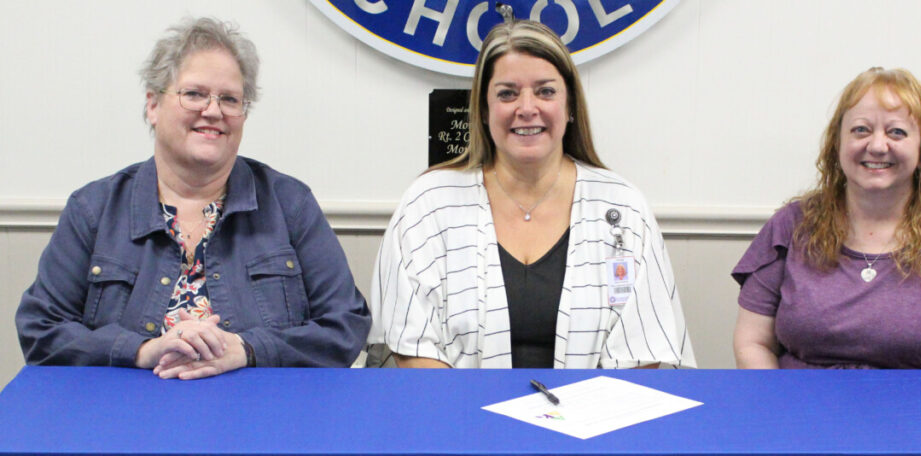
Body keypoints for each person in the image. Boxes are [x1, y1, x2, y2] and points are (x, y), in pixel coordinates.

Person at [17, 17, 370, 379]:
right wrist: (140, 350)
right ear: (153, 105)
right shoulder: (93, 209)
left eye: (229, 99)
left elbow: (345, 327)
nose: (213, 111)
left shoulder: (290, 204)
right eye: (195, 94)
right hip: (124, 421)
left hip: (263, 418)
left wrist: (248, 349)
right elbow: (40, 330)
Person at [369, 19, 695, 368]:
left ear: (570, 106)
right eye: (507, 93)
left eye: (545, 91)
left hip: (593, 419)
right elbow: (414, 347)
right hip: (458, 416)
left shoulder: (623, 208)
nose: (527, 108)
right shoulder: (428, 204)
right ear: (483, 109)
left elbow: (642, 355)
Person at [732, 67, 921, 369]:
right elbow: (753, 342)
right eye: (861, 130)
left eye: (897, 132)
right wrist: (781, 410)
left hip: (912, 415)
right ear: (836, 144)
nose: (877, 146)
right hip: (799, 412)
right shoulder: (790, 226)